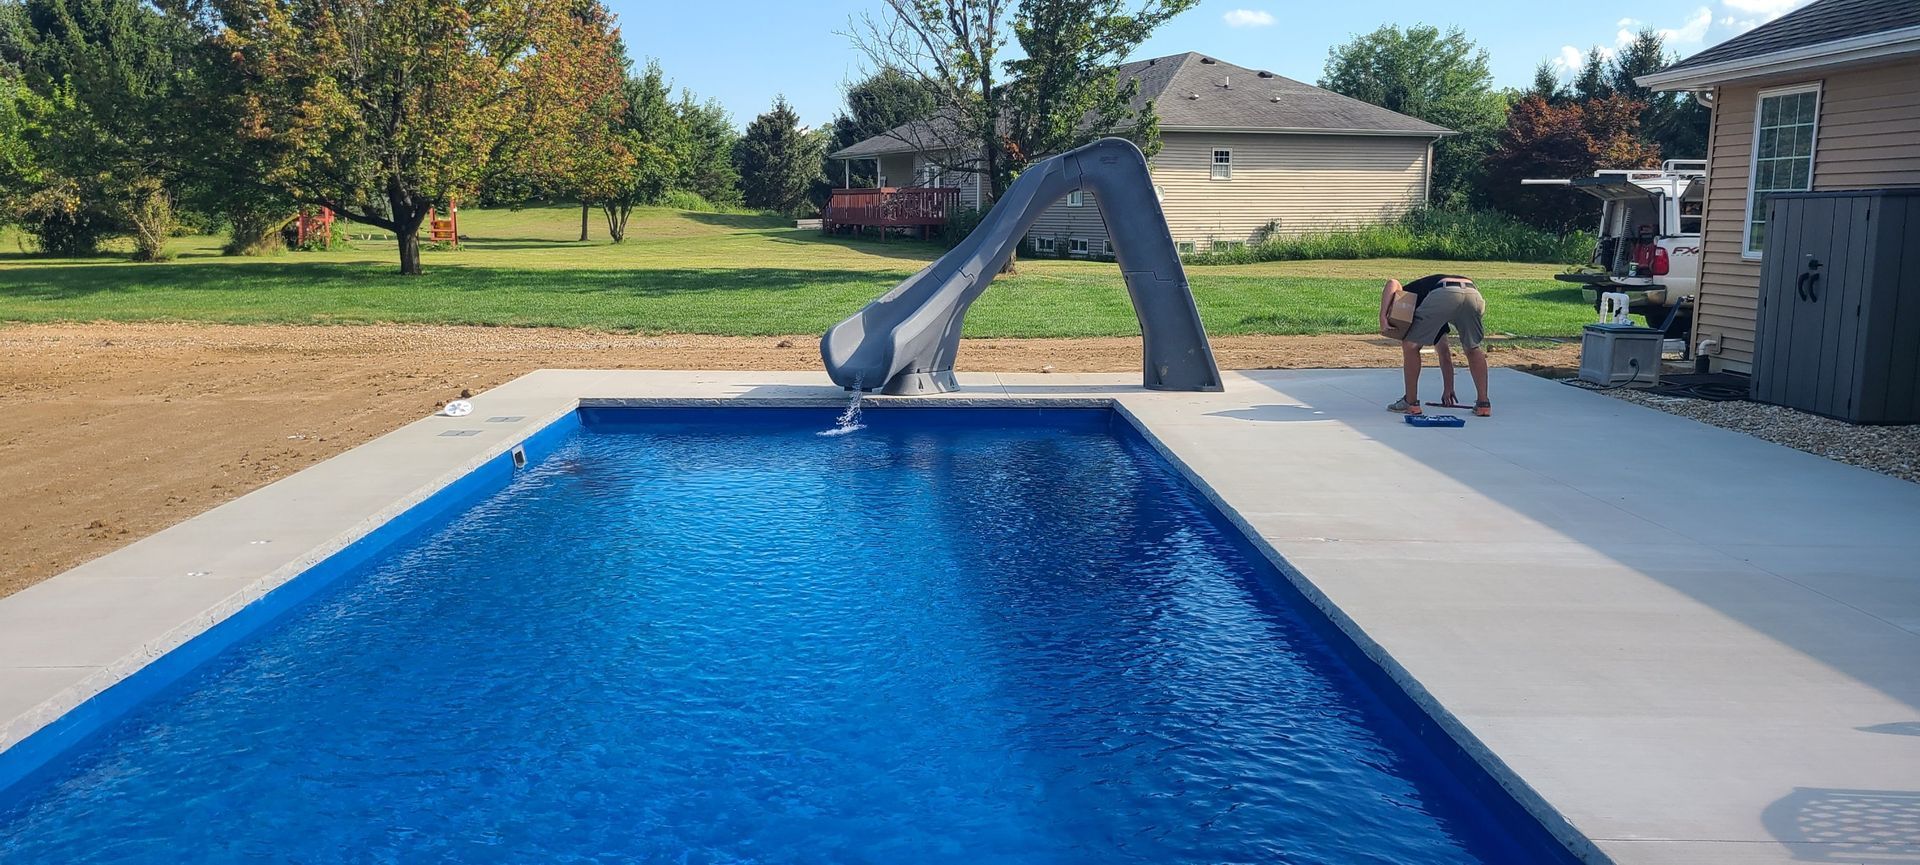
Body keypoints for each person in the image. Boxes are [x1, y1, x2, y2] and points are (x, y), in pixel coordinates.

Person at [1379, 274, 1491, 417]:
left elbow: (1393, 282)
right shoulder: (1432, 310)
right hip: (1472, 293)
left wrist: (1383, 316)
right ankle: (1483, 404)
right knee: (1473, 347)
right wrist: (1448, 387)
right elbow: (1444, 353)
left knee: (1410, 345)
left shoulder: (1405, 297)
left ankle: (1410, 402)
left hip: (1444, 294)